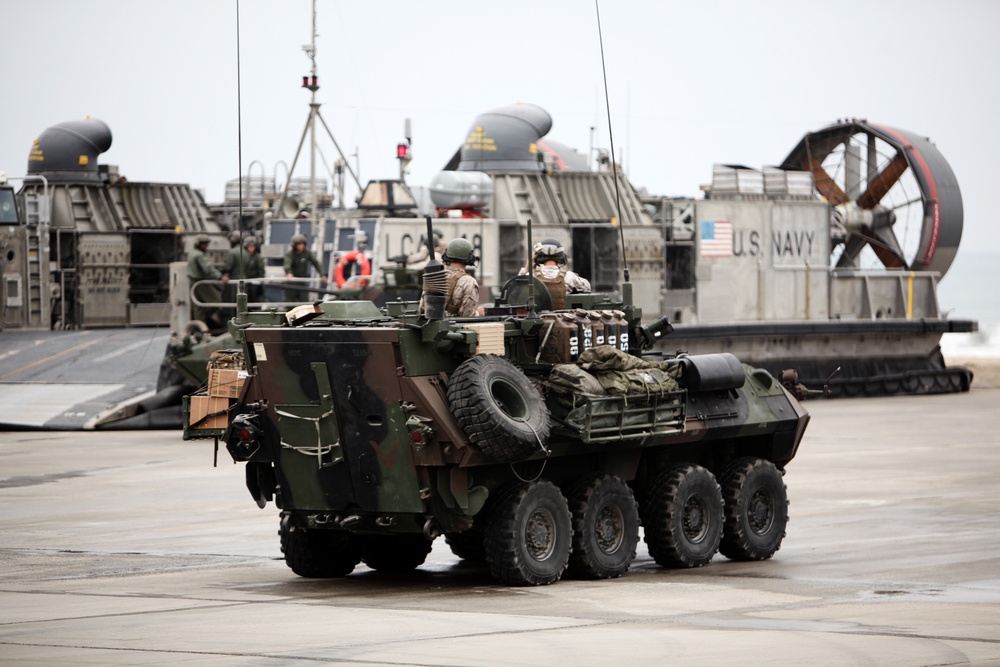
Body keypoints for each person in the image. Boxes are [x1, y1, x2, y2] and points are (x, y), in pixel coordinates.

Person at [520, 238, 591, 310]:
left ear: (537, 256)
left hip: (537, 319)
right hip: (561, 319)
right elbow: (587, 287)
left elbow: (516, 289)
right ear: (561, 256)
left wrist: (526, 268)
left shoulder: (532, 276)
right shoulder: (569, 276)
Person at [423, 237, 482, 317]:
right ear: (469, 257)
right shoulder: (469, 282)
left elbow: (422, 309)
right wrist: (478, 313)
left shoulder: (434, 277)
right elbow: (468, 317)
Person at [186, 233, 226, 327]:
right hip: (201, 283)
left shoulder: (192, 253)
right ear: (198, 244)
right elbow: (208, 269)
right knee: (216, 302)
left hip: (193, 282)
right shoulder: (199, 255)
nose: (206, 245)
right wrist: (220, 277)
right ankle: (204, 320)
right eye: (203, 244)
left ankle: (200, 330)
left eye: (206, 243)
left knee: (198, 307)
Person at [283, 233, 327, 304]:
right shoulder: (289, 254)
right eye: (299, 244)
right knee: (289, 304)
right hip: (291, 283)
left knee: (304, 303)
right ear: (295, 245)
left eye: (303, 244)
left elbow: (315, 263)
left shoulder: (307, 253)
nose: (301, 246)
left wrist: (322, 274)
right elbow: (287, 264)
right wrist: (289, 273)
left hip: (302, 282)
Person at [222, 235, 266, 305]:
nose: (251, 248)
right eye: (249, 246)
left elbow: (261, 271)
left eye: (253, 246)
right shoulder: (244, 255)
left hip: (254, 282)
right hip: (245, 280)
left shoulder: (258, 257)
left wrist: (260, 282)